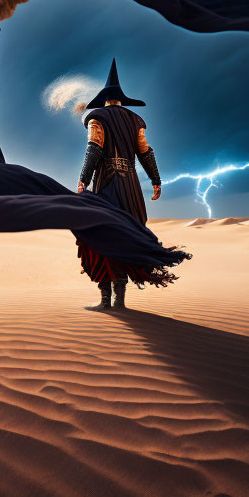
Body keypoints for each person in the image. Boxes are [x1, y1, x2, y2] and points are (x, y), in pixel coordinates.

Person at [76, 59, 163, 310]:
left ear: (103, 99)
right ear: (121, 99)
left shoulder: (96, 117)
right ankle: (120, 301)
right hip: (132, 190)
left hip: (106, 187)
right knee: (126, 237)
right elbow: (146, 152)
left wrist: (83, 179)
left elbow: (94, 149)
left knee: (99, 238)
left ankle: (106, 301)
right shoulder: (136, 120)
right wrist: (156, 180)